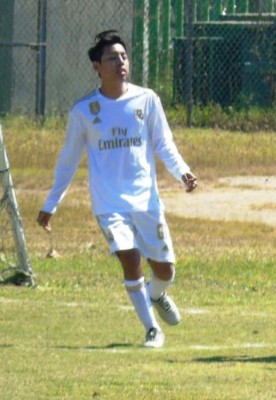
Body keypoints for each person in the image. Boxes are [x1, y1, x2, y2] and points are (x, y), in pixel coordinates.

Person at [37, 30, 198, 348]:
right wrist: (51, 203)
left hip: (146, 201)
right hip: (108, 203)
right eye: (112, 58)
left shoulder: (147, 100)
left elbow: (164, 143)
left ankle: (157, 294)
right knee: (130, 257)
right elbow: (68, 160)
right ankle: (152, 329)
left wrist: (183, 172)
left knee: (165, 270)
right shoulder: (84, 110)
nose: (120, 62)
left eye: (123, 56)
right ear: (97, 66)